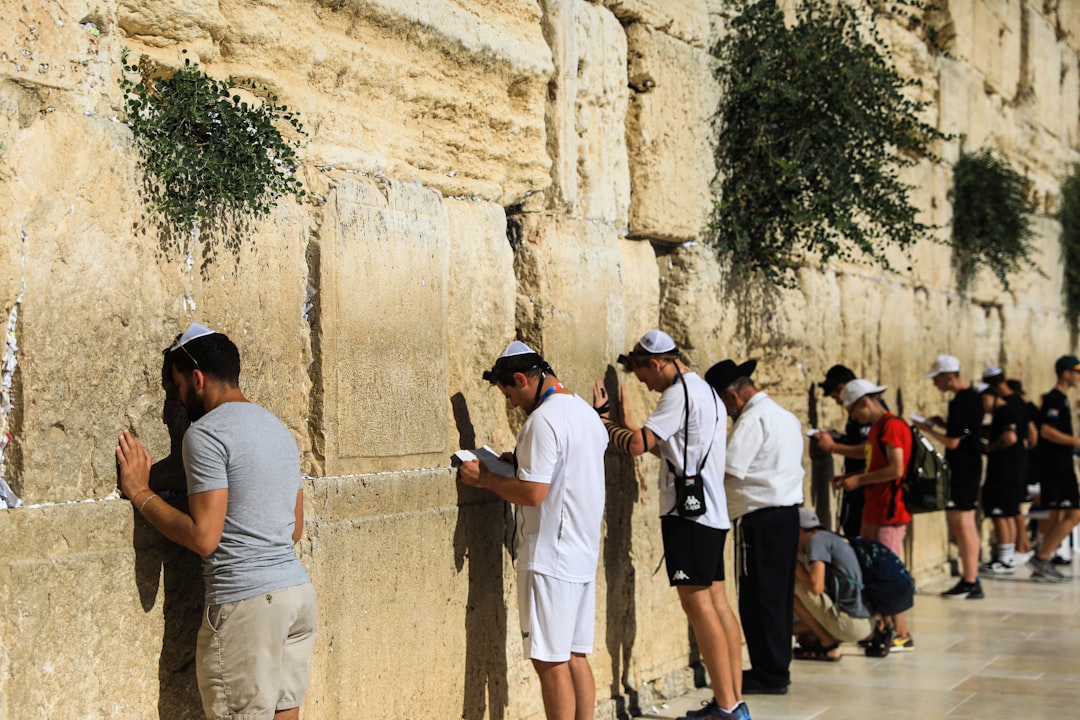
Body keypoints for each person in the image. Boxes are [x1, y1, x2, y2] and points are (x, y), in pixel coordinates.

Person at [115, 323, 317, 720]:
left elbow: (205, 537)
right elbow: (294, 529)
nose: (173, 400)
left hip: (247, 606)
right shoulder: (278, 430)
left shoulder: (205, 434)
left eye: (175, 387)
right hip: (296, 595)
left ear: (198, 378)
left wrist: (140, 492)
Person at [596, 331, 747, 720]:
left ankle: (727, 707)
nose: (644, 383)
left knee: (699, 607)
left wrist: (604, 422)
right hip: (710, 513)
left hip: (689, 516)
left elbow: (637, 445)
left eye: (643, 374)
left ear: (657, 362)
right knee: (717, 604)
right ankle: (734, 702)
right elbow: (675, 447)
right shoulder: (708, 392)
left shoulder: (677, 394)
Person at [459, 341, 608, 720]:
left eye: (509, 392)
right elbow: (564, 474)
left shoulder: (542, 421)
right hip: (581, 553)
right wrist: (518, 462)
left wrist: (487, 478)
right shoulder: (588, 415)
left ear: (522, 379)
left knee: (549, 661)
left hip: (549, 559)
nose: (511, 403)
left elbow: (533, 493)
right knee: (575, 655)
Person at [706, 359, 803, 695]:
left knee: (759, 597)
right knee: (776, 596)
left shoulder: (753, 420)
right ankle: (774, 667)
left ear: (732, 398)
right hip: (786, 515)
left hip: (761, 519)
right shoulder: (784, 416)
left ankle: (769, 672)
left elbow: (730, 468)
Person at [834, 379, 914, 652]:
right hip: (875, 509)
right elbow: (873, 460)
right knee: (873, 570)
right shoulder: (878, 428)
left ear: (865, 403)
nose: (853, 417)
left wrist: (860, 481)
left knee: (887, 573)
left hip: (889, 512)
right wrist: (851, 477)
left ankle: (902, 633)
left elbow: (896, 469)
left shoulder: (893, 427)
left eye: (853, 410)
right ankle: (884, 626)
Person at [913, 354, 985, 599]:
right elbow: (965, 432)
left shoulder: (960, 402)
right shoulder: (973, 397)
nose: (935, 384)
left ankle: (969, 580)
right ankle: (972, 578)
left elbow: (953, 443)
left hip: (962, 469)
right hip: (972, 466)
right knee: (968, 524)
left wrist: (928, 430)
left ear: (948, 376)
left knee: (962, 525)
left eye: (937, 379)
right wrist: (943, 424)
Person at [791, 508, 876, 661]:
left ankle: (827, 643)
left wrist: (795, 567)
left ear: (800, 530)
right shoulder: (830, 538)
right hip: (865, 623)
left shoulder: (815, 541)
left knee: (791, 587)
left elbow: (816, 587)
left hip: (850, 624)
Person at [1028, 355, 1080, 582]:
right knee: (1075, 514)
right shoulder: (1055, 399)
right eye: (1077, 373)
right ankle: (1042, 555)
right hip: (1056, 467)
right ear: (1066, 373)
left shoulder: (1063, 400)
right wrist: (1075, 441)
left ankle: (1044, 560)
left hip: (1061, 465)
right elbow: (1047, 431)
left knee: (1059, 515)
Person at [979, 367, 1027, 574]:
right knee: (1007, 513)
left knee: (1000, 514)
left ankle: (1005, 559)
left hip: (1004, 469)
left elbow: (1010, 438)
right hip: (1014, 468)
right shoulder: (1016, 404)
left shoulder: (1005, 410)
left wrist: (991, 447)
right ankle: (1006, 557)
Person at [812, 365, 869, 538]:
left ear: (842, 388)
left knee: (858, 535)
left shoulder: (868, 412)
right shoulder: (862, 412)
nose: (839, 404)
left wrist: (833, 447)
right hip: (858, 482)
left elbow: (869, 451)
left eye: (837, 398)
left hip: (865, 488)